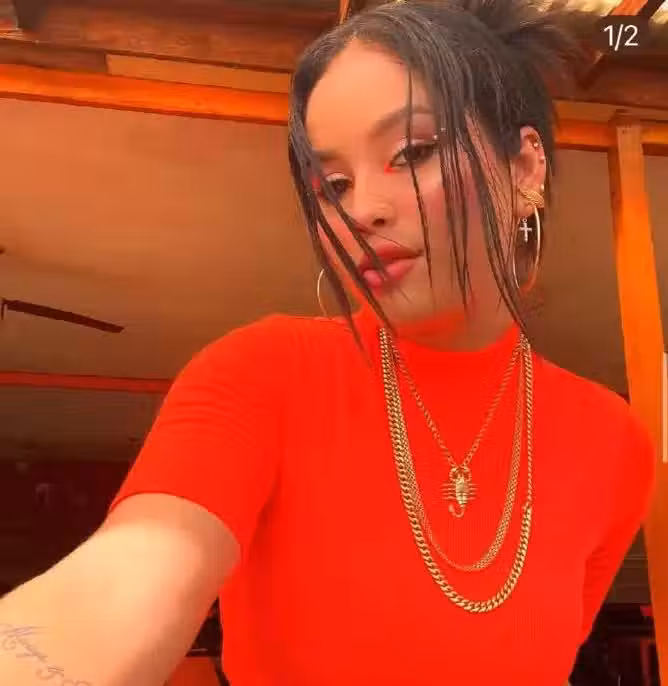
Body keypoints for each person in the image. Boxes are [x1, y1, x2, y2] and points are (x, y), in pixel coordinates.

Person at [0, 1, 655, 685]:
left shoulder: (613, 445)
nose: (361, 209)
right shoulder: (261, 374)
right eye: (332, 185)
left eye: (413, 152)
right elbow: (123, 580)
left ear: (523, 166)